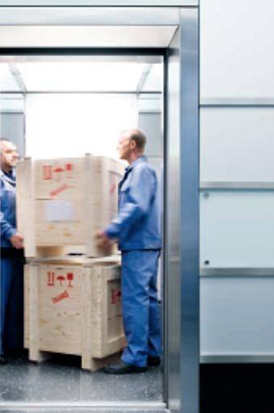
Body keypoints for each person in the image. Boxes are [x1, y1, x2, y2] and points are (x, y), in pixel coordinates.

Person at [97, 129, 162, 374]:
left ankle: (135, 357)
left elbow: (136, 206)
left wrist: (110, 230)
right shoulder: (139, 171)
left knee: (135, 300)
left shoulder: (140, 171)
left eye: (121, 141)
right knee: (148, 299)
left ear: (132, 144)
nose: (117, 145)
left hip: (139, 245)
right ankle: (152, 351)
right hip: (145, 243)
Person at [0, 138, 25, 364]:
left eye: (15, 151)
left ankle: (14, 346)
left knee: (16, 303)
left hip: (20, 251)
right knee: (0, 302)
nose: (15, 154)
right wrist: (9, 233)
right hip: (3, 251)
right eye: (9, 151)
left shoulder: (18, 179)